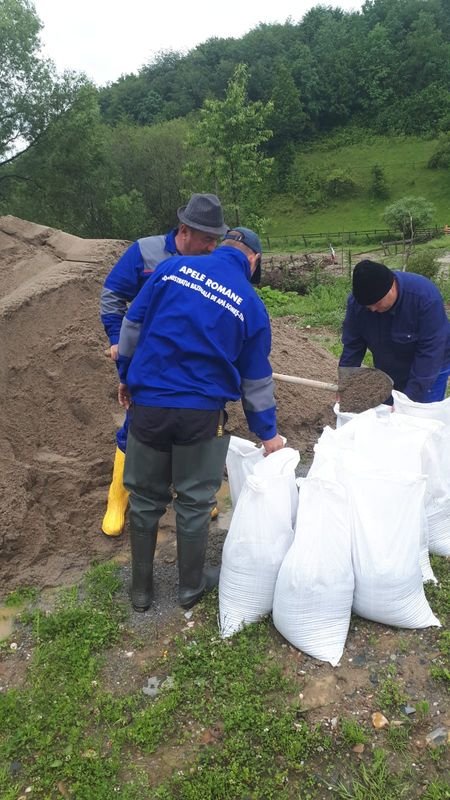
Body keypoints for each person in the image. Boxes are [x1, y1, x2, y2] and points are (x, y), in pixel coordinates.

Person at [116, 226, 285, 612]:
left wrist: (126, 375)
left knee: (144, 499)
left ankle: (141, 591)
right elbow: (256, 379)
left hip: (150, 406)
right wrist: (268, 433)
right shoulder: (250, 304)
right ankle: (189, 588)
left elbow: (132, 326)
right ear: (253, 260)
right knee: (193, 502)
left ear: (223, 246)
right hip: (200, 415)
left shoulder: (171, 269)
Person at [100, 193, 228, 537]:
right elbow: (113, 295)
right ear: (184, 230)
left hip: (195, 364)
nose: (212, 247)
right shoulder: (145, 252)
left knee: (195, 427)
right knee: (138, 423)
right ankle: (118, 498)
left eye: (216, 240)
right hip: (151, 364)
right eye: (207, 239)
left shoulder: (211, 263)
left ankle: (194, 494)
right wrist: (116, 338)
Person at [339, 259, 450, 403]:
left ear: (392, 287)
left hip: (430, 368)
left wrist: (408, 401)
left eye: (377, 303)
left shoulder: (424, 298)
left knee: (419, 412)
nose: (372, 309)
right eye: (368, 306)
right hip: (391, 366)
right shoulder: (358, 304)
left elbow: (430, 353)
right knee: (389, 409)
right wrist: (345, 384)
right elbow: (353, 346)